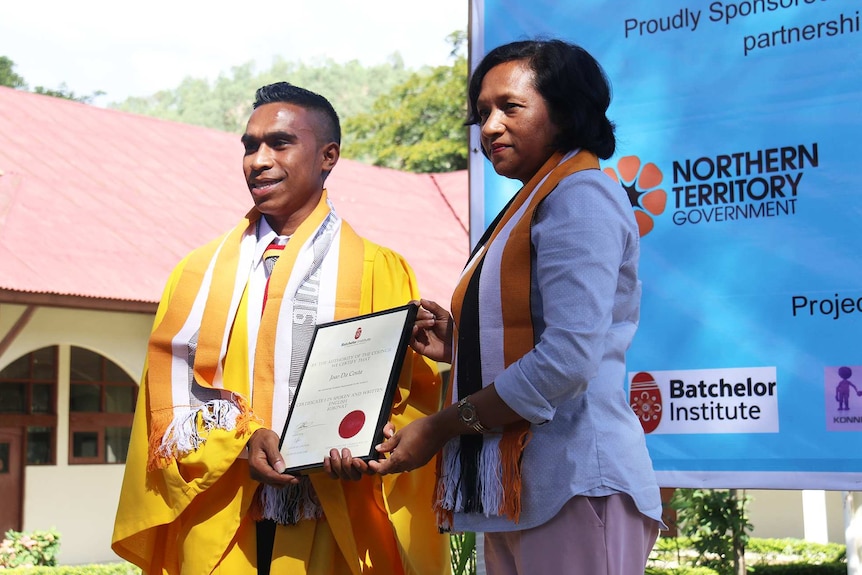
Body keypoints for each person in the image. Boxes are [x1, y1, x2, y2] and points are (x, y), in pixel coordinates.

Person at [112, 82, 450, 575]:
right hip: (226, 505)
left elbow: (407, 391)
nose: (258, 160)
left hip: (337, 509)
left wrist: (375, 441)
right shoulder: (198, 275)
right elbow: (169, 393)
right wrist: (242, 438)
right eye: (250, 146)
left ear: (327, 156)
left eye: (280, 143)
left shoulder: (380, 268)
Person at [369, 39, 665, 574]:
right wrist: (460, 344)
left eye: (510, 106)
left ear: (566, 111)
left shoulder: (579, 194)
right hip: (526, 492)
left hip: (576, 482)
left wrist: (441, 427)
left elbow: (567, 359)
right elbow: (541, 335)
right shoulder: (534, 199)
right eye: (482, 113)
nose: (489, 127)